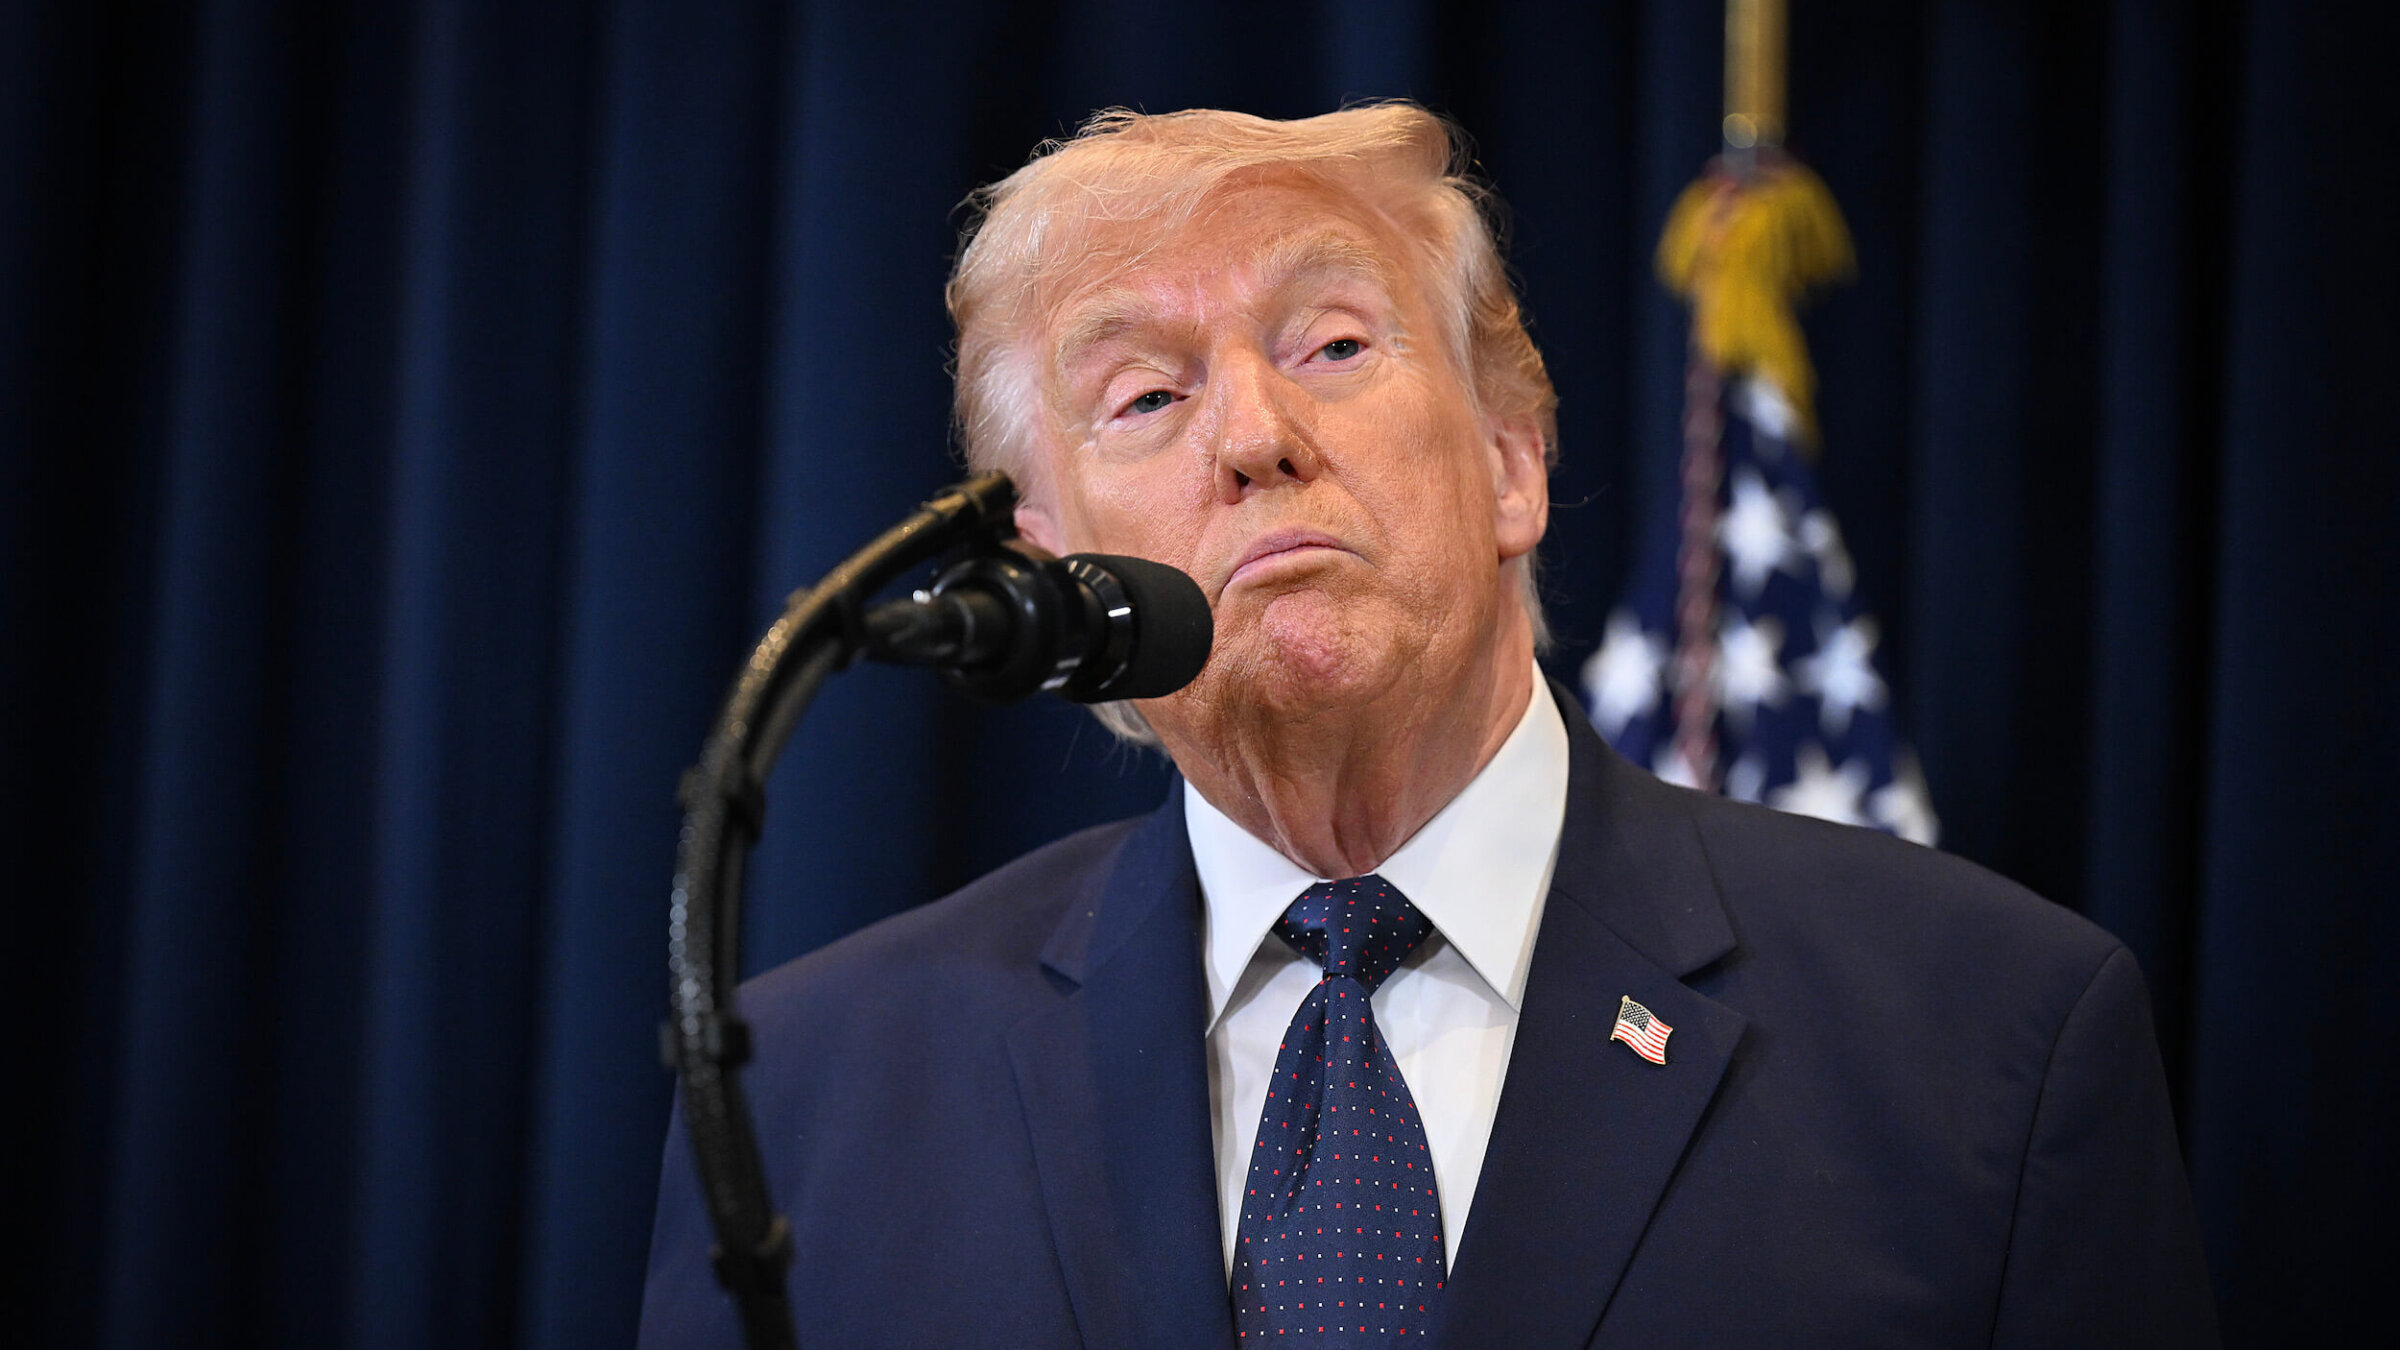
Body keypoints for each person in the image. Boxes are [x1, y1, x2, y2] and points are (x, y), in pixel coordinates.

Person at [638, 104, 2217, 1348]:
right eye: (1145, 397)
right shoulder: (817, 1097)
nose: (1256, 436)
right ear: (1056, 579)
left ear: (1514, 458)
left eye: (1333, 344)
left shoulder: (1993, 1040)